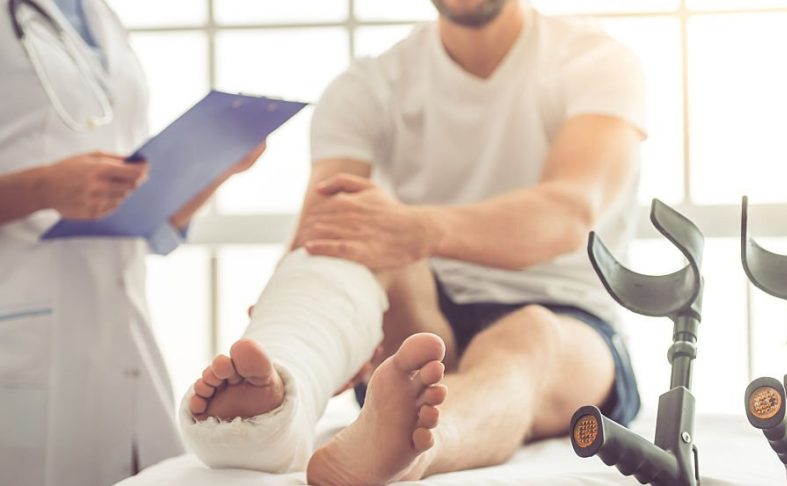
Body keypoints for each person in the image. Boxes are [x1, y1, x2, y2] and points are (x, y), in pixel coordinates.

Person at [179, 0, 645, 484]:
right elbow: (327, 231)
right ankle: (277, 403)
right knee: (349, 243)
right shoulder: (369, 85)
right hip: (420, 324)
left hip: (567, 323)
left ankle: (416, 446)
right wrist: (296, 308)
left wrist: (418, 230)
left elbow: (568, 212)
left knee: (528, 335)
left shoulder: (594, 59)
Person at [0, 0, 264, 484]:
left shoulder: (100, 16)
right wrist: (43, 188)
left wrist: (214, 168)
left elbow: (140, 219)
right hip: (19, 322)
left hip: (122, 327)